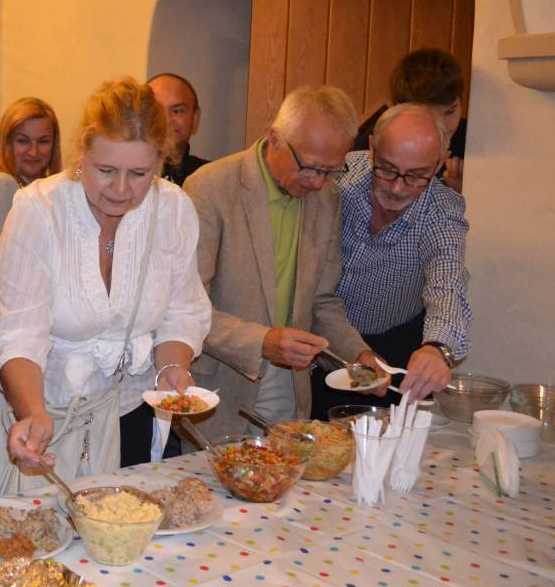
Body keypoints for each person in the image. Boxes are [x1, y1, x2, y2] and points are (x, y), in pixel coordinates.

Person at [0, 77, 212, 498]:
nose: (121, 189)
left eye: (140, 174)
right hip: (39, 407)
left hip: (128, 410)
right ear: (82, 154)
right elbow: (17, 332)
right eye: (106, 170)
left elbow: (181, 312)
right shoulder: (40, 210)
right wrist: (32, 413)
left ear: (161, 163)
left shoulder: (173, 210)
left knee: (117, 540)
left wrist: (171, 370)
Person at [182, 85, 379, 440]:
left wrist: (358, 355)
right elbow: (186, 307)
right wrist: (262, 341)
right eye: (310, 167)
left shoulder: (327, 198)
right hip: (221, 387)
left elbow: (322, 301)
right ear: (275, 139)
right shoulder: (210, 188)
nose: (317, 182)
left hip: (291, 386)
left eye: (330, 170)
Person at [311, 104, 470, 414]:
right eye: (386, 168)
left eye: (416, 176)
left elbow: (448, 282)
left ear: (439, 164)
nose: (397, 187)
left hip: (391, 347)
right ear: (371, 147)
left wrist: (437, 349)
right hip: (317, 336)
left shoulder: (442, 211)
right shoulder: (336, 179)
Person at [0, 97, 62, 296]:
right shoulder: (2, 184)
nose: (34, 151)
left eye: (43, 141)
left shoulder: (49, 191)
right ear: (7, 142)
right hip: (6, 318)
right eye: (23, 141)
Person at [354, 48, 467, 193]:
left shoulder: (470, 140)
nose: (443, 127)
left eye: (450, 112)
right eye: (430, 118)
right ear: (399, 109)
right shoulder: (377, 143)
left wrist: (467, 191)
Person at [147, 72, 208, 185]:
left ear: (195, 119)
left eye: (177, 111)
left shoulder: (212, 178)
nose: (166, 120)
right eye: (156, 110)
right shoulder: (122, 175)